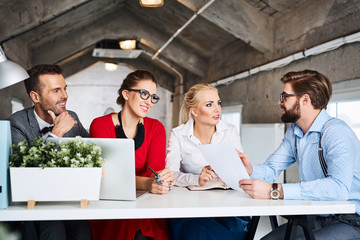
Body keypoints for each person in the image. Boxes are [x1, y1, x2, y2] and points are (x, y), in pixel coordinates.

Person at [239, 70, 360, 239]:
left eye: (284, 96)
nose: (279, 102)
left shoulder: (335, 132)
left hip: (350, 220)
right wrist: (250, 169)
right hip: (317, 216)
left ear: (305, 99)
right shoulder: (295, 132)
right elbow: (272, 168)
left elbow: (338, 189)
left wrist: (276, 191)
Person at [7, 64, 91, 240]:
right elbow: (24, 175)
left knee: (84, 229)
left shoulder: (72, 117)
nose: (65, 96)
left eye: (65, 89)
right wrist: (56, 134)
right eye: (56, 91)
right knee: (53, 227)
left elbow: (91, 152)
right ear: (35, 96)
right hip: (35, 205)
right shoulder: (17, 123)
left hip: (70, 200)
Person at [89, 70, 173, 240]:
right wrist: (148, 183)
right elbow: (109, 177)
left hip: (147, 201)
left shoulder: (156, 127)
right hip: (112, 203)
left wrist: (160, 179)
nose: (149, 102)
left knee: (144, 230)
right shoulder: (100, 125)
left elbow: (153, 172)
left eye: (153, 97)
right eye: (144, 94)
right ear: (126, 94)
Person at [165, 83, 249, 240]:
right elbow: (171, 173)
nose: (217, 109)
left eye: (218, 103)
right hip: (190, 204)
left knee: (232, 230)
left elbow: (239, 171)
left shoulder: (229, 131)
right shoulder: (178, 134)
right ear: (194, 111)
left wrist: (243, 168)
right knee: (194, 229)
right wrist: (197, 179)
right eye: (209, 105)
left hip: (227, 203)